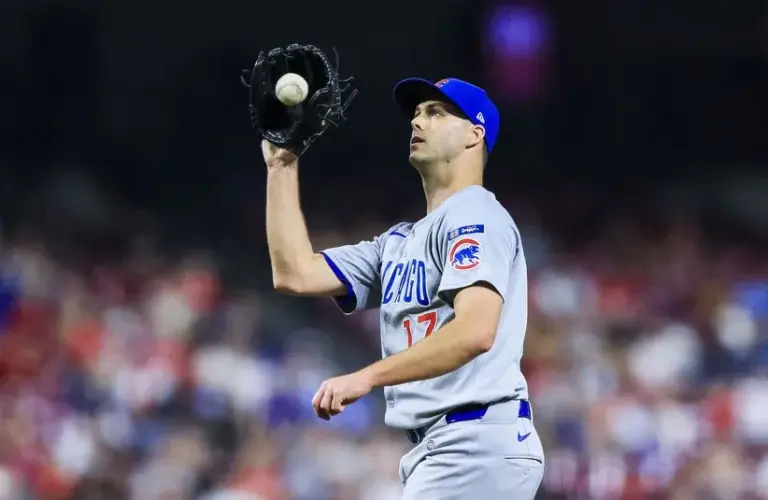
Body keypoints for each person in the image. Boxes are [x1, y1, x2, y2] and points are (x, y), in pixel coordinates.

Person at [261, 77, 544, 499]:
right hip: (445, 450)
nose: (418, 120)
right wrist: (281, 164)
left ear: (474, 134)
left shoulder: (476, 213)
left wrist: (367, 378)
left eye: (436, 112)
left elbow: (475, 331)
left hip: (475, 444)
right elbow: (295, 273)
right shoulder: (399, 241)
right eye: (416, 113)